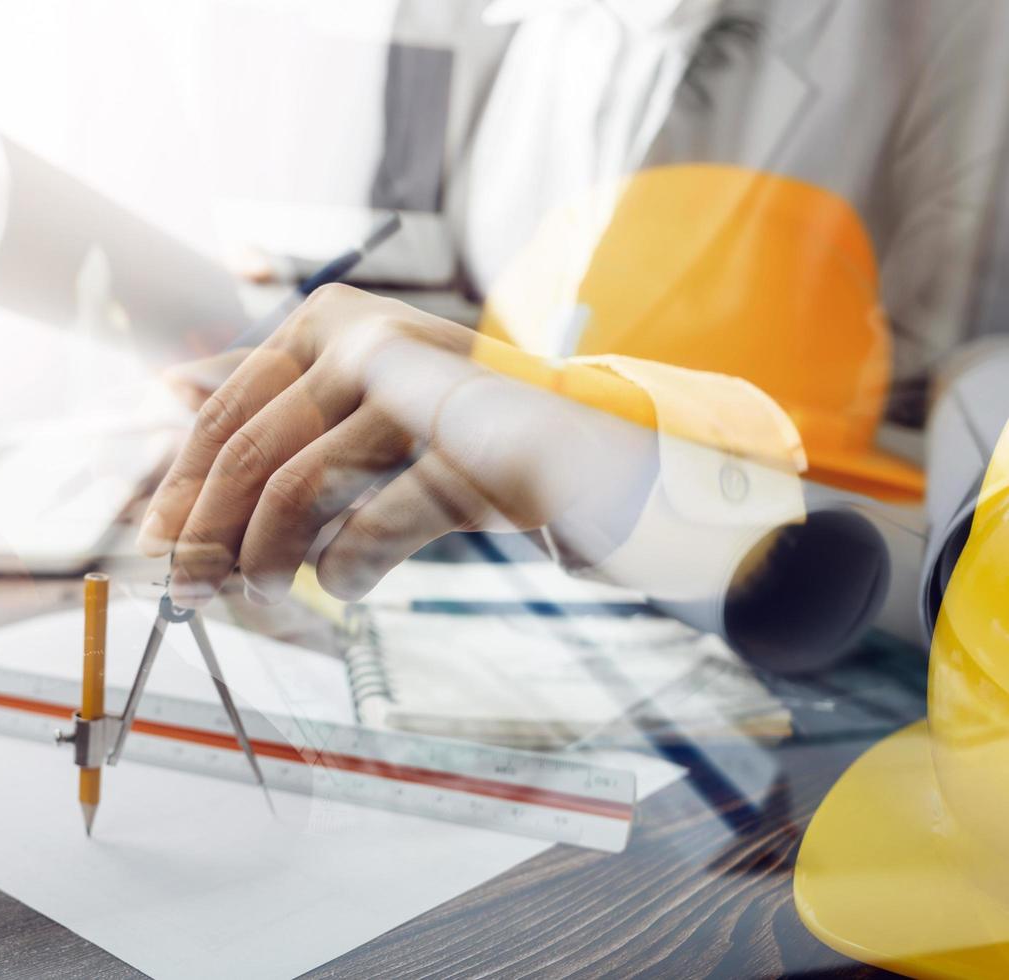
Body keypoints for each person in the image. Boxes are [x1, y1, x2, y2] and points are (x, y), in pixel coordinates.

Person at [137, 0, 1009, 655]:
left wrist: (605, 459)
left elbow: (968, 493)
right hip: (489, 614)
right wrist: (300, 406)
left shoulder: (958, 40)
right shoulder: (447, 21)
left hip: (787, 661)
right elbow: (456, 290)